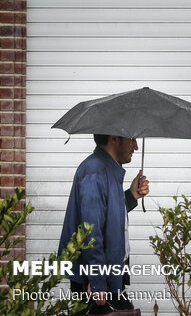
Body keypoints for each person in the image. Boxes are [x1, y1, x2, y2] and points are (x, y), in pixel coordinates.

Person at [58, 134, 150, 314]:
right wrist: (97, 281)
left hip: (109, 272)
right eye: (132, 139)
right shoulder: (96, 171)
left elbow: (107, 214)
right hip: (96, 280)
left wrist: (131, 196)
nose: (136, 146)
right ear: (114, 137)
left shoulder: (108, 169)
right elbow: (90, 231)